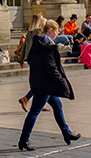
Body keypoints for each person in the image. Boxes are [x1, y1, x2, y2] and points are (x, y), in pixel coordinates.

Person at [18, 20, 80, 151]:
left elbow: (31, 60)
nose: (58, 33)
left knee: (58, 106)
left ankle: (66, 133)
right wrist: (61, 81)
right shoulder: (46, 47)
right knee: (34, 111)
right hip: (44, 84)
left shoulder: (39, 43)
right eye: (57, 31)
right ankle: (24, 139)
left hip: (43, 82)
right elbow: (51, 68)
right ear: (50, 31)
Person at [18, 14, 48, 112]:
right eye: (42, 17)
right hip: (37, 59)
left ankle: (38, 102)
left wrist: (21, 60)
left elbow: (24, 46)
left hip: (31, 58)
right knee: (41, 82)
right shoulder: (39, 32)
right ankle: (26, 98)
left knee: (40, 82)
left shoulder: (30, 31)